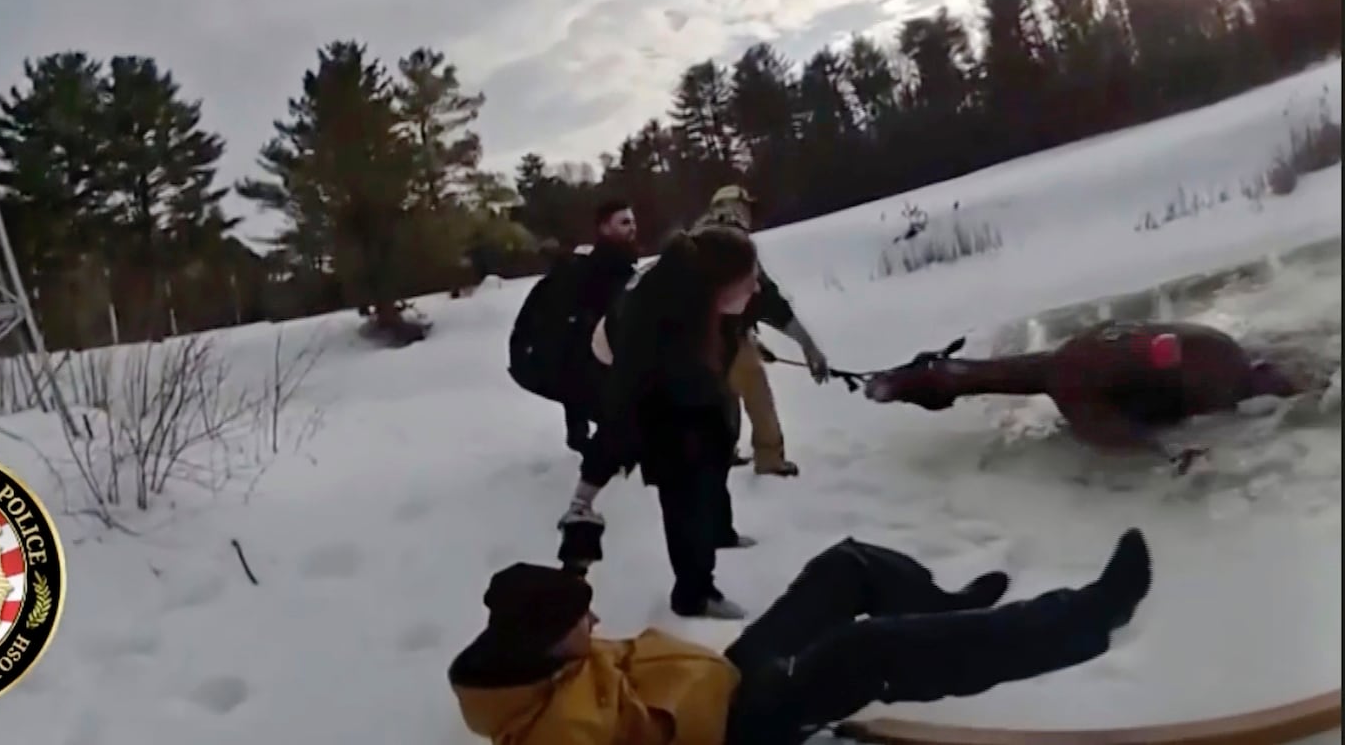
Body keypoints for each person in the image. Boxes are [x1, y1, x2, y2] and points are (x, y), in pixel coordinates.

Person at [450, 528, 1154, 745]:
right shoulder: (555, 736)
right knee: (867, 649)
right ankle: (1092, 616)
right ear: (546, 643)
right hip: (741, 731)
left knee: (844, 568)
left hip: (724, 683)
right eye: (582, 621)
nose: (597, 625)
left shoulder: (536, 665)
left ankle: (943, 610)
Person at [560, 225, 764, 619]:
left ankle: (719, 529)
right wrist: (595, 479)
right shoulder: (658, 326)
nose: (754, 290)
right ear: (716, 290)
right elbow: (623, 407)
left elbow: (763, 301)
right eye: (749, 283)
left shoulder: (705, 281)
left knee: (717, 441)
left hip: (685, 369)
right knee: (682, 481)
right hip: (627, 366)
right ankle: (693, 594)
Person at [863, 320, 1315, 471]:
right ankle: (924, 379)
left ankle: (923, 380)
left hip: (1194, 375)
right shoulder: (1084, 351)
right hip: (1207, 355)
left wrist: (1169, 454)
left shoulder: (1075, 378)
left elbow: (1131, 441)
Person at [696, 185, 830, 477]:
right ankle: (769, 459)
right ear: (730, 207)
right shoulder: (731, 243)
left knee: (720, 394)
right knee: (754, 387)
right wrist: (808, 345)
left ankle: (718, 451)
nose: (748, 215)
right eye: (744, 207)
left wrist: (750, 337)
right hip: (717, 339)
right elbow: (767, 301)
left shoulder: (695, 241)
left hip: (696, 340)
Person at [509, 200, 642, 454]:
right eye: (624, 222)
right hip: (585, 366)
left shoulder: (620, 268)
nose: (633, 228)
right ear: (604, 228)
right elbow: (571, 339)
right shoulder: (593, 272)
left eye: (633, 222)